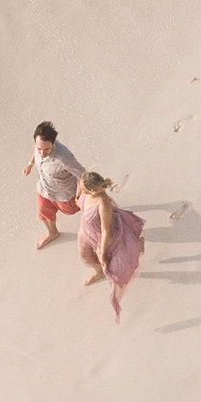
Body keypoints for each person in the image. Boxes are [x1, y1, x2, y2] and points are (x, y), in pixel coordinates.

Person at [75, 172, 146, 322]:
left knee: (114, 269)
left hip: (102, 236)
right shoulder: (85, 189)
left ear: (93, 191)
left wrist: (102, 254)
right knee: (84, 256)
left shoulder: (103, 203)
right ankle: (98, 271)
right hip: (85, 231)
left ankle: (137, 244)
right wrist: (77, 195)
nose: (81, 190)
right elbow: (79, 183)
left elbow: (106, 230)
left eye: (83, 189)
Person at [20, 121, 86, 249]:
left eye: (46, 150)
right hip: (44, 189)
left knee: (76, 210)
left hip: (65, 194)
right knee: (43, 213)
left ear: (53, 143)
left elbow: (82, 174)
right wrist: (30, 164)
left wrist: (78, 195)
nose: (42, 153)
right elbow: (36, 152)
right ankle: (52, 233)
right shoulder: (40, 145)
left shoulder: (64, 159)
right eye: (39, 149)